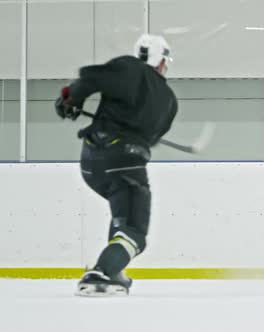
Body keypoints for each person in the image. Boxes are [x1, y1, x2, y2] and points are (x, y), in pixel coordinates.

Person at [54, 34, 178, 296]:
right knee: (134, 230)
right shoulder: (169, 100)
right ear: (160, 61)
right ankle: (101, 273)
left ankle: (113, 268)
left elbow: (89, 78)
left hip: (92, 162)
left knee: (123, 216)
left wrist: (70, 100)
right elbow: (152, 138)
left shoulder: (126, 68)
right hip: (126, 164)